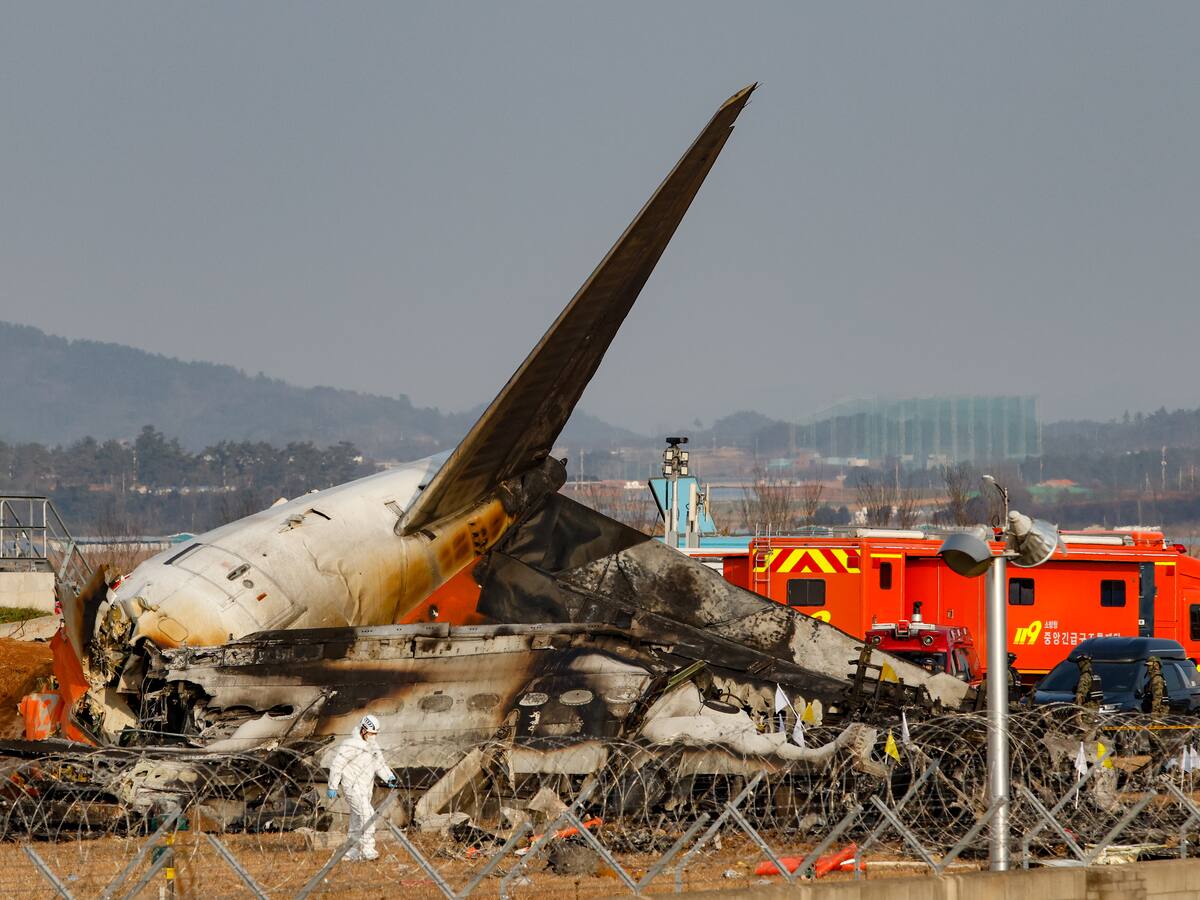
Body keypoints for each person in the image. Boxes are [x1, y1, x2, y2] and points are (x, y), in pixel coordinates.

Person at [326, 714, 398, 861]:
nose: (373, 736)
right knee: (368, 815)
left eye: (375, 734)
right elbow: (337, 765)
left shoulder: (373, 746)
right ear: (363, 730)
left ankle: (351, 852)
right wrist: (333, 785)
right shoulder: (350, 744)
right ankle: (368, 850)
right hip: (352, 788)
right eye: (371, 733)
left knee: (356, 820)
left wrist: (389, 777)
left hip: (366, 790)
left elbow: (380, 764)